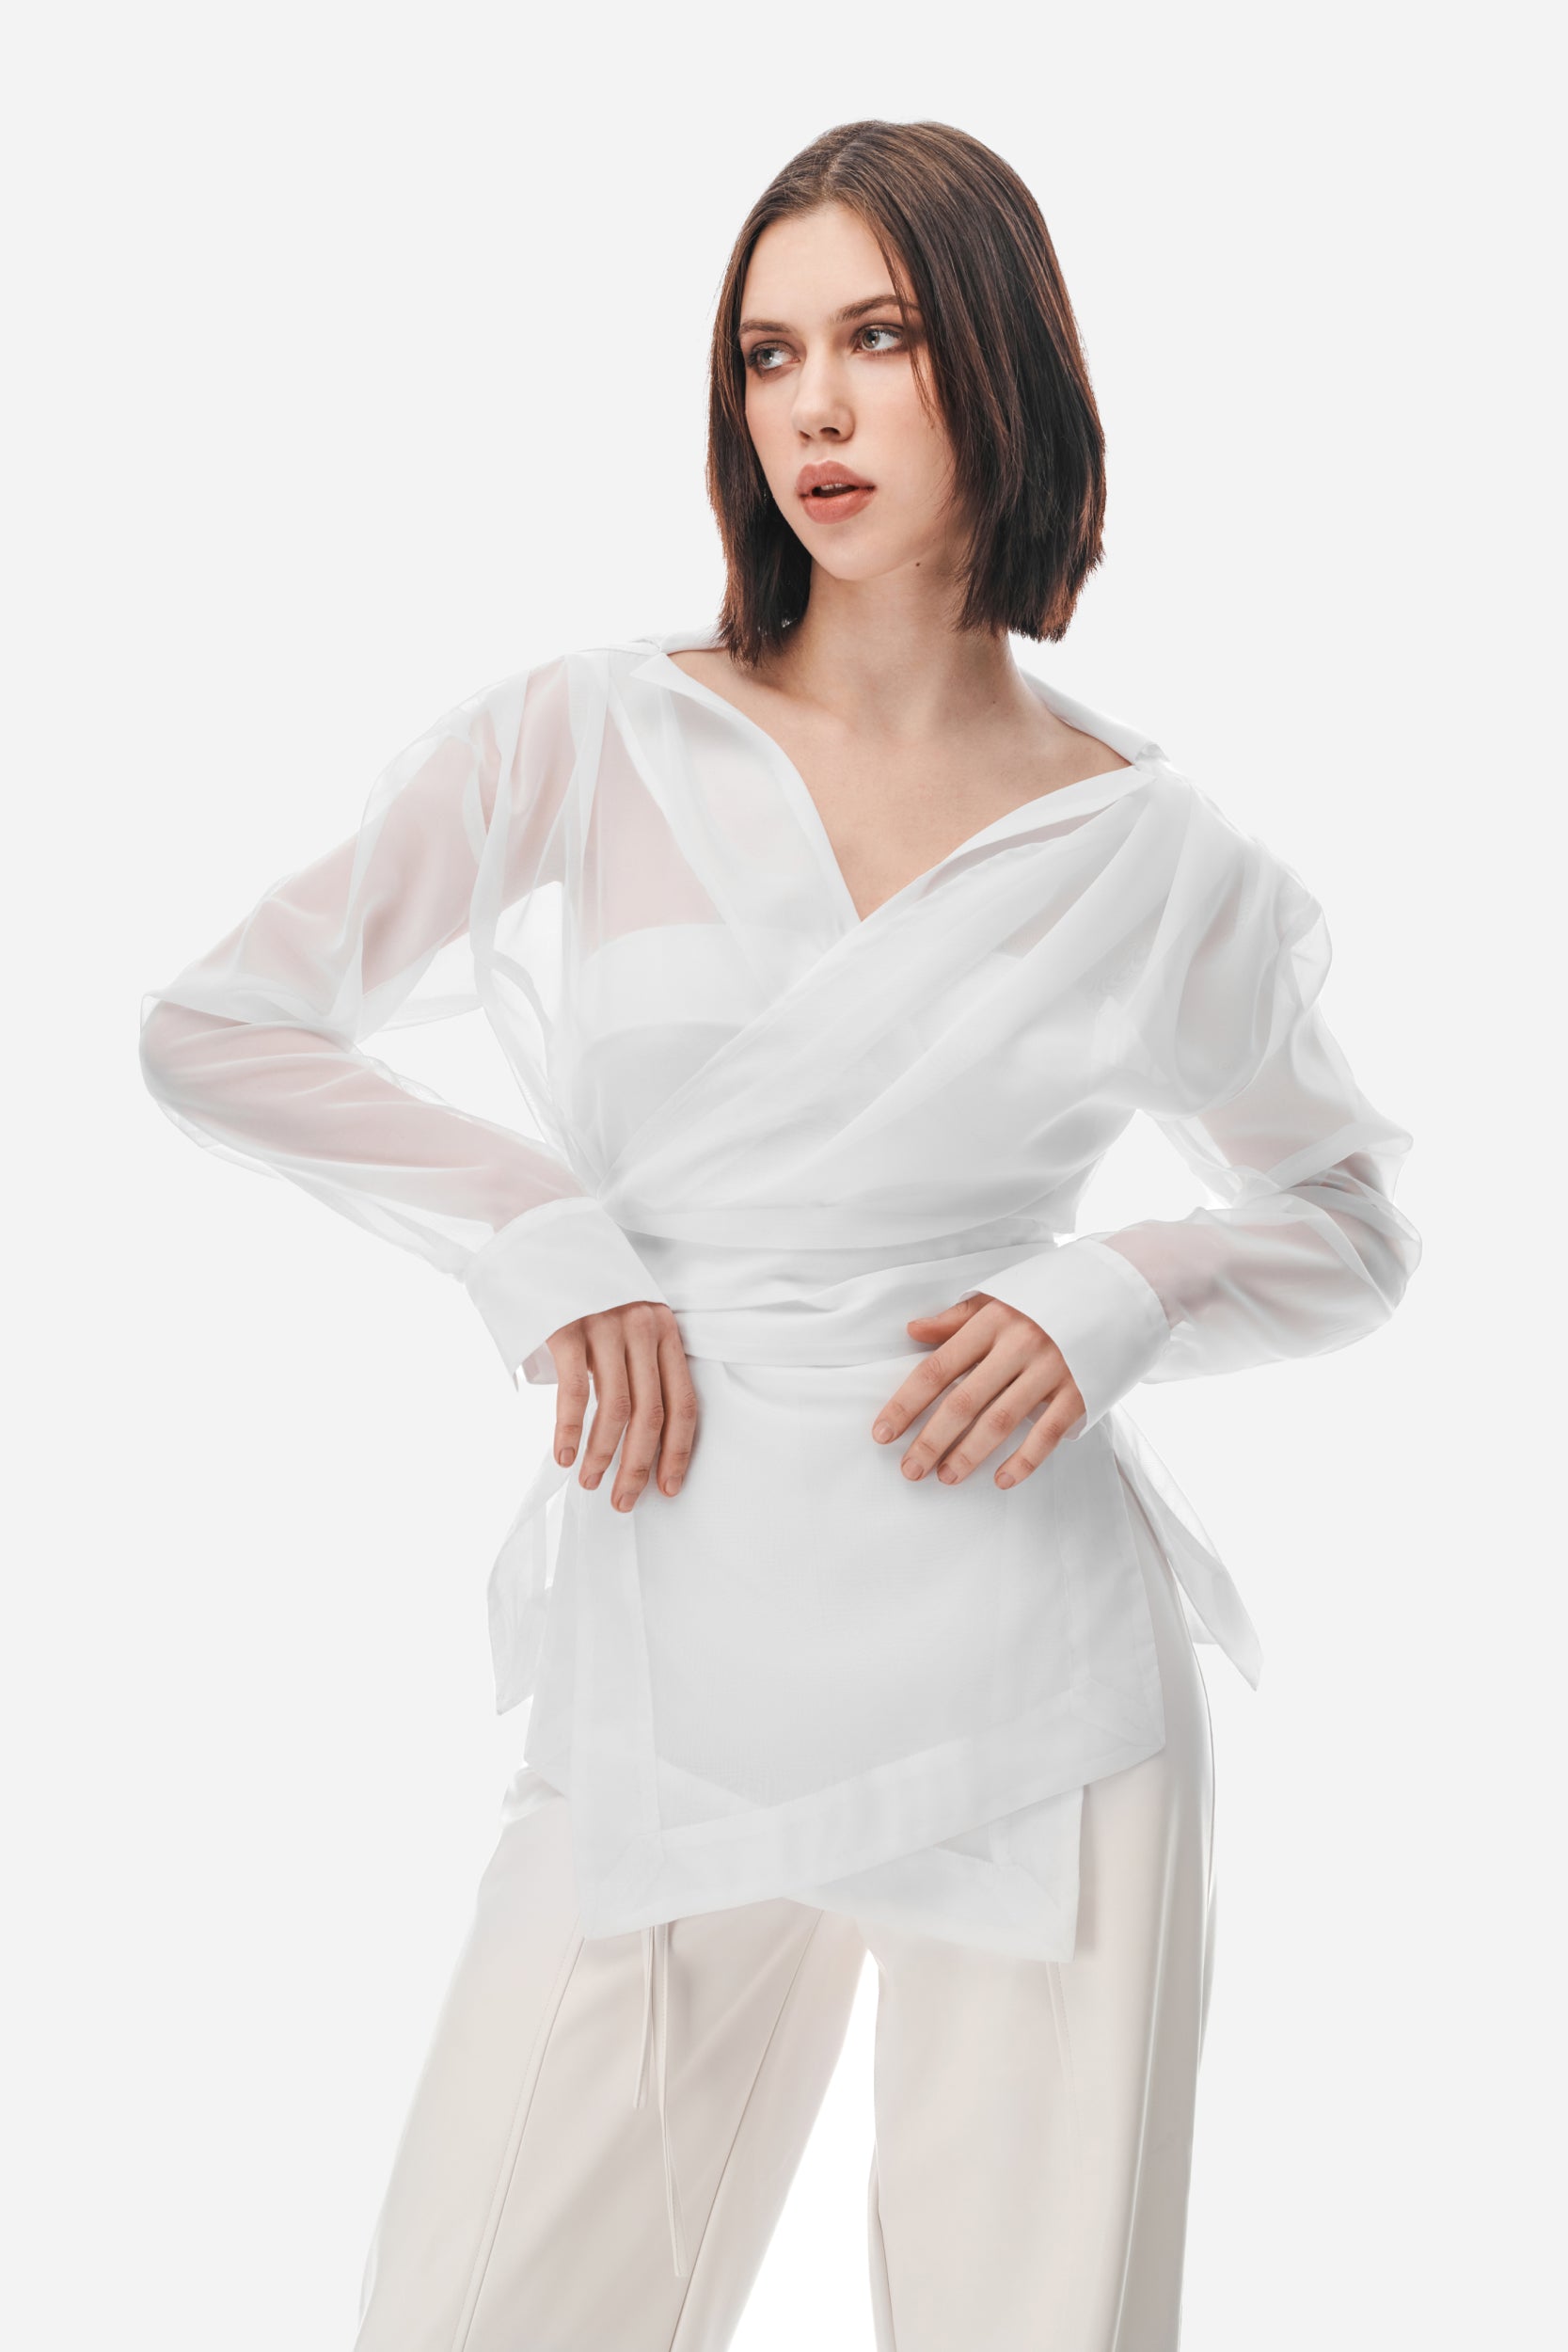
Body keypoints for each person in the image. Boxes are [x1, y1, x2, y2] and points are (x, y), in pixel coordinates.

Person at [138, 118, 1422, 2352]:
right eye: (767, 355)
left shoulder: (1156, 858)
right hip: (679, 1631)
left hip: (1036, 1662)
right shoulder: (593, 736)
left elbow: (1349, 1213)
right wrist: (543, 1231)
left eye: (879, 338)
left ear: (997, 361)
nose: (813, 407)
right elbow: (218, 1027)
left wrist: (1119, 1286)